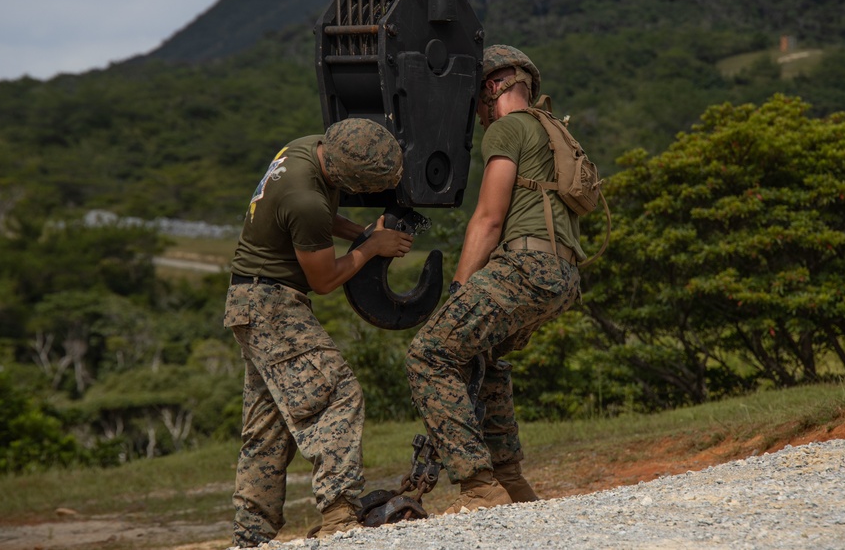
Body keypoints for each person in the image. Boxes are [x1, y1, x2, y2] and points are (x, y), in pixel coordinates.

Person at [405, 45, 584, 514]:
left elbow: (488, 218)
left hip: (526, 268)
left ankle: (479, 486)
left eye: (475, 104)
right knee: (482, 356)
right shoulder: (552, 130)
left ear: (490, 89)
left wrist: (460, 288)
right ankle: (509, 481)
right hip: (563, 276)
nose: (478, 117)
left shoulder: (507, 129)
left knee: (430, 353)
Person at [225, 118, 414, 546]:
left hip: (250, 300)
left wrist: (360, 231)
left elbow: (319, 221)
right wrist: (371, 247)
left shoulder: (308, 148)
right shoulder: (304, 198)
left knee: (268, 425)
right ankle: (339, 513)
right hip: (271, 303)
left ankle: (251, 536)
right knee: (336, 394)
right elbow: (326, 280)